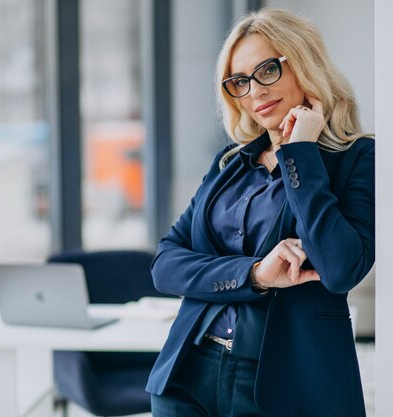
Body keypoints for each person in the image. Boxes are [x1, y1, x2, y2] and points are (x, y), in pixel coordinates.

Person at [146, 8, 374, 417]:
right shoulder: (229, 165)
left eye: (267, 70)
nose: (254, 91)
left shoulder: (358, 158)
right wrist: (254, 275)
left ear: (304, 64)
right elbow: (165, 264)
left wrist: (300, 152)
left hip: (284, 387)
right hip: (187, 374)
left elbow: (341, 269)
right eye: (239, 81)